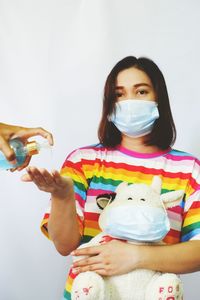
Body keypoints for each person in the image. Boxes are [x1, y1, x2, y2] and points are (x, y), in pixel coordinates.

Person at [21, 56, 200, 299]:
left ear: (159, 98)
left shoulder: (189, 169)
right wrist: (62, 196)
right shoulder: (83, 161)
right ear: (109, 103)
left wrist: (136, 257)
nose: (129, 102)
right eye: (119, 94)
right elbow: (64, 246)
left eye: (141, 91)